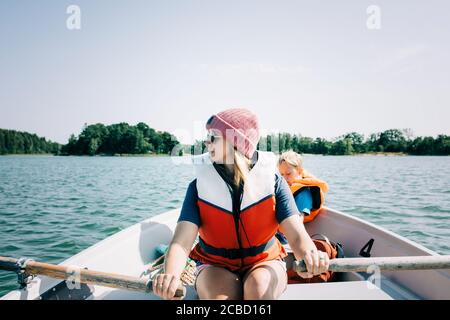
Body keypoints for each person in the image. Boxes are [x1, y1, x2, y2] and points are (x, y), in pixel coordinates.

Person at [152, 108, 329, 300]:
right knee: (219, 297)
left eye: (213, 137)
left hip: (265, 260)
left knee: (258, 288)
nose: (206, 142)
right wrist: (170, 275)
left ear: (235, 143)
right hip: (215, 264)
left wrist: (311, 255)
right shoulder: (198, 187)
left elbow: (296, 236)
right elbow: (181, 242)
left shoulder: (273, 181)